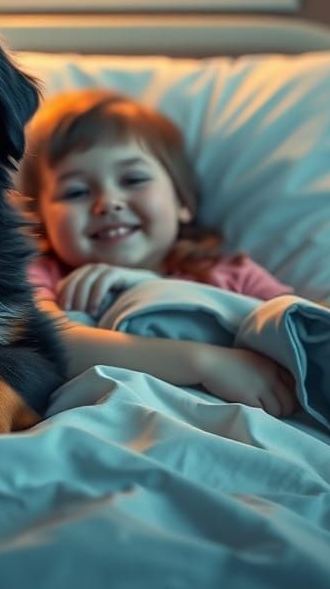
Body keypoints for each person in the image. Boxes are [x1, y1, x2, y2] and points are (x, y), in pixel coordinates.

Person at [18, 89, 298, 418]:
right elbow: (49, 343)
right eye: (76, 191)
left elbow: (319, 338)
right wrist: (206, 363)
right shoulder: (42, 276)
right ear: (44, 222)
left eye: (133, 179)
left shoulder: (229, 274)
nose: (108, 202)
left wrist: (147, 285)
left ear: (182, 201)